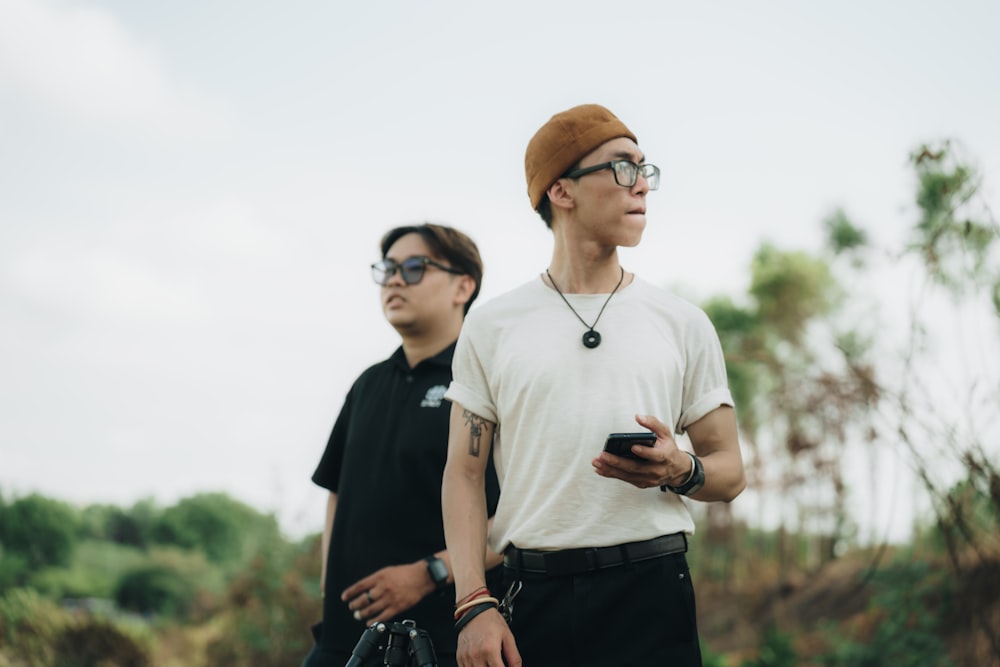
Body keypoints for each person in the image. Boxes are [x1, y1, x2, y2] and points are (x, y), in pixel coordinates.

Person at [441, 104, 747, 667]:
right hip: (530, 597)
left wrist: (682, 468)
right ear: (562, 191)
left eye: (645, 169)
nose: (643, 186)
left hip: (651, 593)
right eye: (622, 168)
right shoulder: (492, 325)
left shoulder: (681, 321)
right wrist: (471, 603)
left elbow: (730, 470)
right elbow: (463, 471)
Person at [303, 223, 502, 667]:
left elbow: (520, 517)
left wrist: (430, 572)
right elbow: (336, 489)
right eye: (388, 269)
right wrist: (327, 580)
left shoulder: (484, 381)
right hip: (342, 643)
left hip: (443, 644)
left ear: (463, 286)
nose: (395, 279)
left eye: (414, 268)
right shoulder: (367, 384)